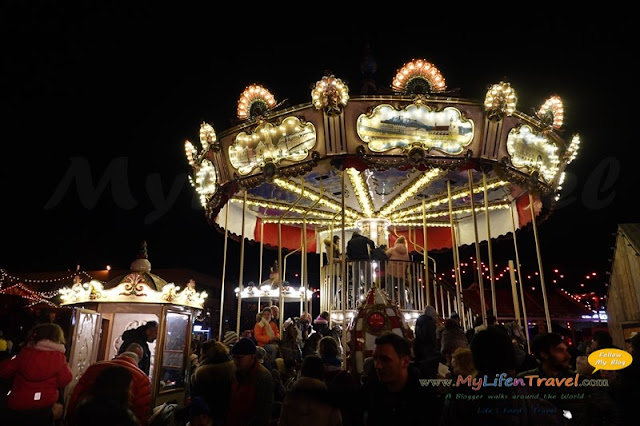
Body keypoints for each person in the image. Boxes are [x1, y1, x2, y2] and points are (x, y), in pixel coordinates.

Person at [0, 322, 72, 425]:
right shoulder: (59, 359)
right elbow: (65, 379)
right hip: (45, 405)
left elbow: (4, 371)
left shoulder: (24, 354)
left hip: (18, 403)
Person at [361, 331, 440, 425]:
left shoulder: (426, 397)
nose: (378, 366)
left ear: (405, 361)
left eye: (385, 360)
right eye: (375, 359)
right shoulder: (373, 391)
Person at [66, 348, 151, 426]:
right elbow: (142, 411)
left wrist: (69, 417)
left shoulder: (95, 367)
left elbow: (76, 395)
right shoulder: (141, 378)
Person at [278, 355, 342, 426]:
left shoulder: (290, 398)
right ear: (322, 372)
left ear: (302, 371)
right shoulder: (329, 401)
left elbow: (282, 423)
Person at [226, 338, 275, 426]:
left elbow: (263, 412)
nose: (236, 361)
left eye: (239, 358)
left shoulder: (262, 377)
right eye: (234, 358)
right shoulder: (234, 372)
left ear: (252, 356)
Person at [74, 365, 140, 426]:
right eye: (129, 388)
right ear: (123, 390)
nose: (131, 393)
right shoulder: (125, 417)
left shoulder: (84, 408)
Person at [190, 339, 235, 426]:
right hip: (227, 416)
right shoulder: (231, 371)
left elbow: (199, 400)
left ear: (205, 354)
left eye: (201, 353)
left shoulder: (203, 375)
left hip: (206, 418)